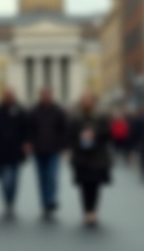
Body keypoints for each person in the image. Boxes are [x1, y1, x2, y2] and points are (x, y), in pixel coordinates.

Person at [69, 93, 111, 228]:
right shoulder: (75, 118)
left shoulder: (101, 117)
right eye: (84, 100)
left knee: (95, 185)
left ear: (93, 102)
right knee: (84, 186)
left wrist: (95, 134)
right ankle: (87, 210)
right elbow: (69, 136)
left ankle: (93, 210)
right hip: (81, 157)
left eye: (89, 100)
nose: (87, 103)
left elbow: (107, 134)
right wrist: (80, 136)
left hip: (97, 157)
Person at [0, 87, 29, 219]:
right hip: (1, 152)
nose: (9, 98)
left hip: (16, 152)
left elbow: (26, 128)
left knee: (14, 181)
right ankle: (7, 202)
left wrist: (26, 143)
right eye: (7, 95)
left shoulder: (20, 111)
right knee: (5, 181)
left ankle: (10, 204)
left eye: (11, 95)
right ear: (3, 97)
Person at [28, 87, 69, 220]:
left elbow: (64, 130)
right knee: (42, 178)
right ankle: (44, 204)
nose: (46, 97)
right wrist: (29, 143)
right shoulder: (34, 111)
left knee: (52, 176)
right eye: (44, 95)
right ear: (41, 96)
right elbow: (29, 130)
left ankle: (51, 200)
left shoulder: (58, 111)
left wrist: (64, 147)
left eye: (49, 95)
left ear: (52, 96)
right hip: (39, 150)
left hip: (53, 149)